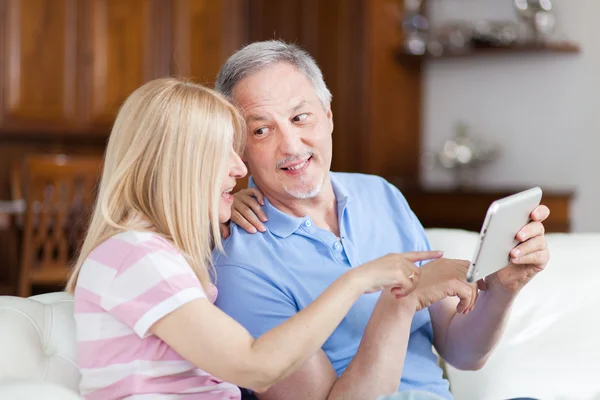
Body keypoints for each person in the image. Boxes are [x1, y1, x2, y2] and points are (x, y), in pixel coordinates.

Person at [212, 40, 550, 400]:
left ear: (328, 116)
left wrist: (502, 290)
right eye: (262, 130)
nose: (291, 145)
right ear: (239, 148)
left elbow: (463, 352)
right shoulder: (240, 263)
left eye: (300, 117)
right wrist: (401, 301)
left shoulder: (379, 195)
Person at [65, 77, 439, 399]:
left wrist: (221, 206)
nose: (239, 167)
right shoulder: (137, 256)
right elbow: (256, 366)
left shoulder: (157, 255)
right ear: (176, 165)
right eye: (220, 153)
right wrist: (357, 280)